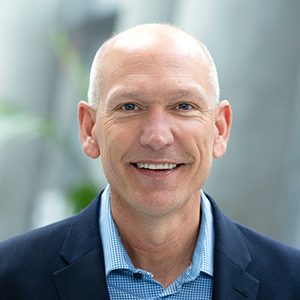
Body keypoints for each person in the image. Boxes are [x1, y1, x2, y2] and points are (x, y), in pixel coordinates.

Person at [0, 23, 299, 300]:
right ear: (89, 129)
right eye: (129, 106)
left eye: (183, 106)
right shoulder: (9, 279)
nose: (157, 137)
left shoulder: (292, 282)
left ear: (219, 130)